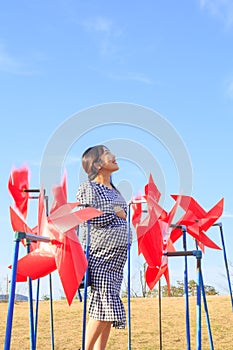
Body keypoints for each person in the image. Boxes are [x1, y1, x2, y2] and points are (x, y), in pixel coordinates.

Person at [76, 145, 130, 350]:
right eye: (108, 154)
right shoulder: (89, 188)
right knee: (105, 305)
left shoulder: (115, 191)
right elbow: (87, 216)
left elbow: (123, 216)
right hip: (101, 256)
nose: (114, 156)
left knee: (106, 309)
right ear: (97, 164)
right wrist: (114, 213)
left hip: (117, 260)